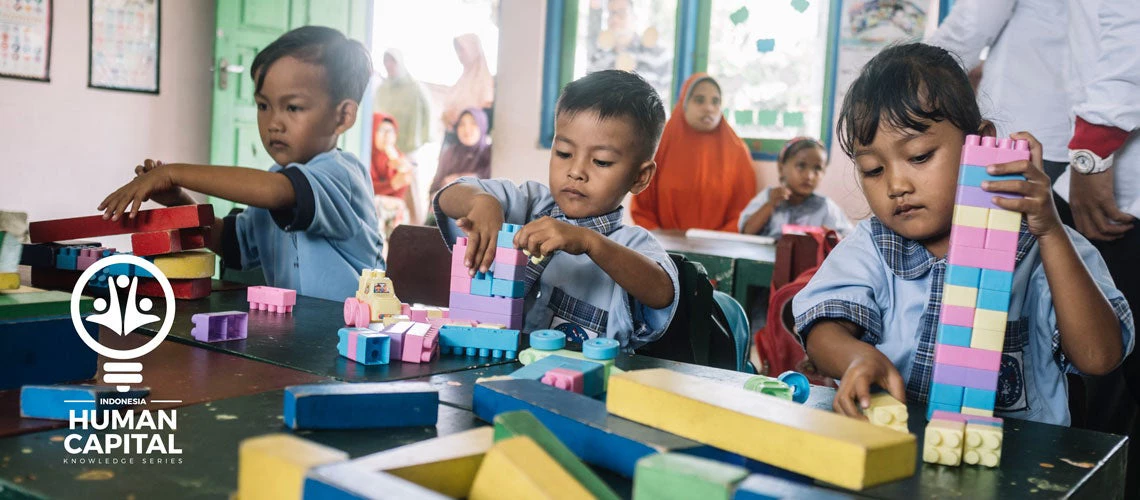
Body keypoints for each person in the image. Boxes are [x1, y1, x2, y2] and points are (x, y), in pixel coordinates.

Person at [791, 43, 1133, 426]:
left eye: (919, 156)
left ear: (980, 143)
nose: (896, 185)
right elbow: (823, 331)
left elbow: (1099, 357)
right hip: (891, 452)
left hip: (1018, 467)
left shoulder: (1046, 248)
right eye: (873, 169)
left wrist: (1050, 231)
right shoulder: (872, 246)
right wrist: (855, 356)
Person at [98, 26, 382, 302]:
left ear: (343, 116)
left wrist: (172, 172)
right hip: (298, 336)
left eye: (293, 107)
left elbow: (275, 191)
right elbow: (232, 245)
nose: (274, 123)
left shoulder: (341, 174)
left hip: (357, 337)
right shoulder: (276, 181)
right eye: (263, 106)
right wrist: (178, 202)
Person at [433, 70, 678, 349]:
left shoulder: (631, 246)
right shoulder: (527, 203)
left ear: (639, 177)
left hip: (580, 388)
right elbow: (449, 196)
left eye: (601, 161)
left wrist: (589, 242)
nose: (575, 171)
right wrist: (480, 201)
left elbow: (662, 292)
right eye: (563, 153)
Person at [631, 73, 757, 231]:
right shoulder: (659, 146)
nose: (709, 108)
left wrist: (714, 244)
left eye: (715, 101)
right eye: (699, 100)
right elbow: (642, 208)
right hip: (662, 247)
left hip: (718, 249)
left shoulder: (737, 152)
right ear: (684, 103)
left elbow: (743, 213)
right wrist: (661, 240)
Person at [738, 137, 853, 237]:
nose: (809, 176)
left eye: (817, 168)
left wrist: (831, 236)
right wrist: (770, 205)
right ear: (781, 168)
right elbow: (746, 232)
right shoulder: (768, 197)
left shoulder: (825, 207)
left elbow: (847, 237)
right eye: (801, 165)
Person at [373, 49, 431, 155]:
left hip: (409, 147)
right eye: (386, 61)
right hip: (385, 147)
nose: (389, 65)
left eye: (392, 61)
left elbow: (428, 115)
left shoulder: (415, 88)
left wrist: (423, 138)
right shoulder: (381, 89)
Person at [441, 33, 494, 143]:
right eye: (458, 51)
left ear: (473, 50)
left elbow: (484, 117)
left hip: (472, 143)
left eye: (462, 50)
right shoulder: (461, 81)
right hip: (455, 140)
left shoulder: (485, 82)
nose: (460, 55)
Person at [430, 107, 493, 195]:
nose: (466, 129)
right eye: (462, 124)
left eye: (473, 123)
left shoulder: (491, 154)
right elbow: (435, 188)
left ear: (482, 126)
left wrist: (458, 179)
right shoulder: (450, 153)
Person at [371, 112, 414, 237]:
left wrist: (402, 172)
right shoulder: (365, 153)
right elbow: (365, 188)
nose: (387, 136)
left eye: (391, 131)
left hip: (392, 208)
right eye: (381, 130)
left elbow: (399, 194)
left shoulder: (398, 158)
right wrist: (392, 184)